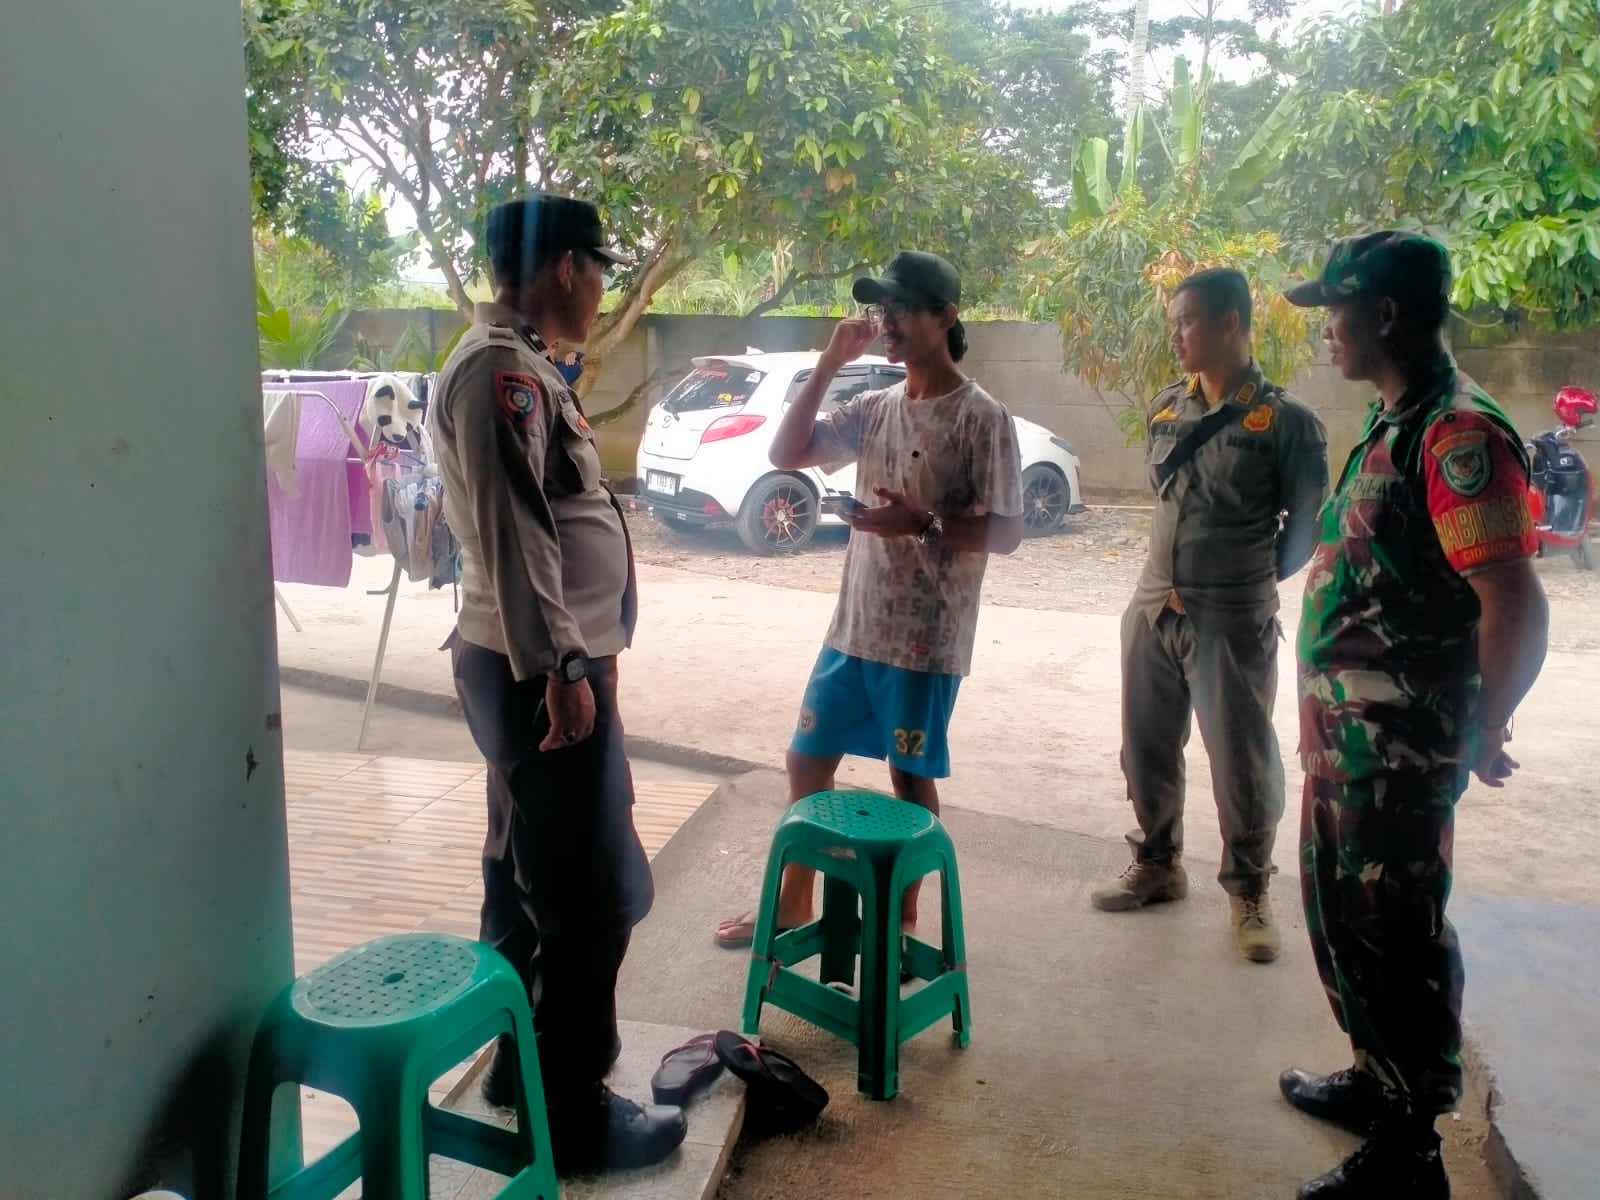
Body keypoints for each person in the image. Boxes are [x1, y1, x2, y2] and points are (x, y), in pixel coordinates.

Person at [1279, 231, 1549, 1198]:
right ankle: (1376, 1077)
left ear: (1385, 314)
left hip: (1398, 752)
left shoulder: (1457, 435)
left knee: (1397, 933)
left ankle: (1411, 1148)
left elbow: (1512, 599)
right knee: (1344, 919)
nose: (1326, 331)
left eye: (1335, 312)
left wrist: (1486, 724)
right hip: (1346, 742)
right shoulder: (1393, 420)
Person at [427, 192, 686, 1174]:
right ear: (567, 266)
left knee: (522, 871)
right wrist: (564, 669)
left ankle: (517, 1063)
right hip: (538, 675)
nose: (602, 289)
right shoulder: (501, 373)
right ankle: (572, 1113)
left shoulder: (520, 364)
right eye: (601, 270)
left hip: (528, 667)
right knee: (588, 893)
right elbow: (518, 530)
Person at [712, 251, 1024, 949]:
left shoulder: (981, 417)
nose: (887, 323)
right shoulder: (875, 407)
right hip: (852, 629)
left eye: (902, 309)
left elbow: (1006, 533)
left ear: (946, 316)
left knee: (908, 779)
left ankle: (903, 922)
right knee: (806, 761)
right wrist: (829, 364)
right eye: (881, 310)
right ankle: (795, 901)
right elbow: (787, 453)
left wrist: (923, 524)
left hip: (924, 640)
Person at [1091, 267, 1330, 964]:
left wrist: (1242, 582)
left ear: (1230, 323)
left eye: (1187, 321)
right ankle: (1158, 862)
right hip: (1152, 609)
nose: (1175, 335)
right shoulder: (1168, 408)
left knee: (1242, 761)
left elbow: (1305, 531)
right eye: (1173, 322)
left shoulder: (1288, 423)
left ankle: (1249, 891)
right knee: (1145, 748)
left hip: (1231, 617)